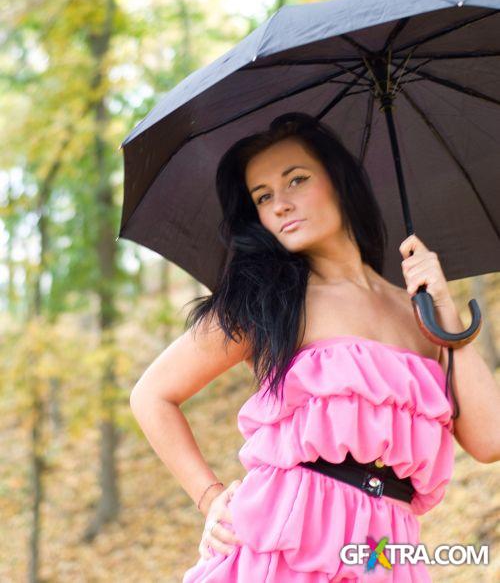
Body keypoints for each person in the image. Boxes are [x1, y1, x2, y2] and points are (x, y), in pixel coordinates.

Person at [130, 112, 500, 581]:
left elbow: (490, 441)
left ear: (341, 182)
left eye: (296, 180)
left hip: (385, 551)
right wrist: (210, 496)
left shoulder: (417, 311)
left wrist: (442, 303)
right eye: (263, 197)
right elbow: (151, 395)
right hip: (286, 541)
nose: (280, 204)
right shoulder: (265, 300)